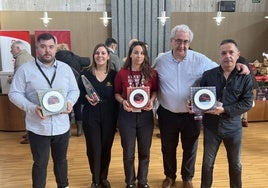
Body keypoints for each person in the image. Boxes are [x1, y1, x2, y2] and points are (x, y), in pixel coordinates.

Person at [154, 24, 250, 188]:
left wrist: (241, 64)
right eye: (178, 41)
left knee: (190, 148)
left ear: (189, 42)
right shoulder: (160, 60)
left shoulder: (201, 59)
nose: (182, 45)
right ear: (171, 41)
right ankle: (169, 176)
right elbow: (148, 74)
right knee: (167, 147)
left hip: (192, 114)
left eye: (185, 41)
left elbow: (225, 66)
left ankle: (187, 178)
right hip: (167, 113)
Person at [8, 33, 79, 188]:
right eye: (43, 46)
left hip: (61, 126)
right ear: (37, 48)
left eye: (51, 47)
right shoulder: (25, 70)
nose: (47, 50)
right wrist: (32, 108)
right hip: (38, 127)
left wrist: (69, 102)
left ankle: (63, 185)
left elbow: (74, 90)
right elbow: (14, 94)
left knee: (61, 161)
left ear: (55, 48)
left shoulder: (65, 69)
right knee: (40, 163)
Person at [200, 39, 253, 188]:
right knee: (207, 164)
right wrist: (194, 103)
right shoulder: (208, 75)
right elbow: (200, 97)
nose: (227, 56)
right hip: (211, 127)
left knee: (236, 165)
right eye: (223, 53)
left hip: (234, 128)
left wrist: (225, 110)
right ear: (219, 56)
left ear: (238, 55)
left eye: (231, 52)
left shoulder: (245, 76)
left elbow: (247, 102)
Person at [114, 41, 158, 188]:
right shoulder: (122, 73)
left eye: (142, 53)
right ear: (130, 55)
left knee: (145, 151)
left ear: (145, 56)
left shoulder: (151, 73)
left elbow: (155, 91)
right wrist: (123, 102)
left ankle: (143, 181)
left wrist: (151, 100)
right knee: (128, 152)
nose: (139, 55)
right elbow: (116, 93)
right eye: (136, 52)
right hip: (127, 117)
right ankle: (130, 182)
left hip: (145, 116)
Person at [78, 43, 118, 188]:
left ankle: (103, 178)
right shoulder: (85, 74)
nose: (100, 56)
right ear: (93, 56)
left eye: (103, 53)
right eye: (97, 53)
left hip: (109, 116)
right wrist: (85, 98)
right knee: (94, 148)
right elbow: (77, 94)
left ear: (108, 57)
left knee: (106, 148)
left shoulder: (114, 75)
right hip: (91, 115)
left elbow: (118, 95)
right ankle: (95, 180)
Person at [56, 43, 90, 136]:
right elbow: (88, 61)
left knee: (65, 107)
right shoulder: (74, 57)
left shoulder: (54, 58)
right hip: (76, 85)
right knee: (77, 106)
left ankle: (68, 131)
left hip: (61, 88)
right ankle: (79, 130)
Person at [10, 40, 35, 144]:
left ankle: (30, 136)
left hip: (26, 92)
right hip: (31, 90)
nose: (11, 52)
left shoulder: (20, 59)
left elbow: (18, 78)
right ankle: (30, 134)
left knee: (28, 114)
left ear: (18, 49)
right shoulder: (29, 57)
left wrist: (10, 80)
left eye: (12, 49)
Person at [237, 56, 258, 127]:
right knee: (245, 102)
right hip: (251, 83)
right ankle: (244, 120)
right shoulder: (243, 60)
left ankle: (240, 121)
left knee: (241, 102)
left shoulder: (239, 61)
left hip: (244, 85)